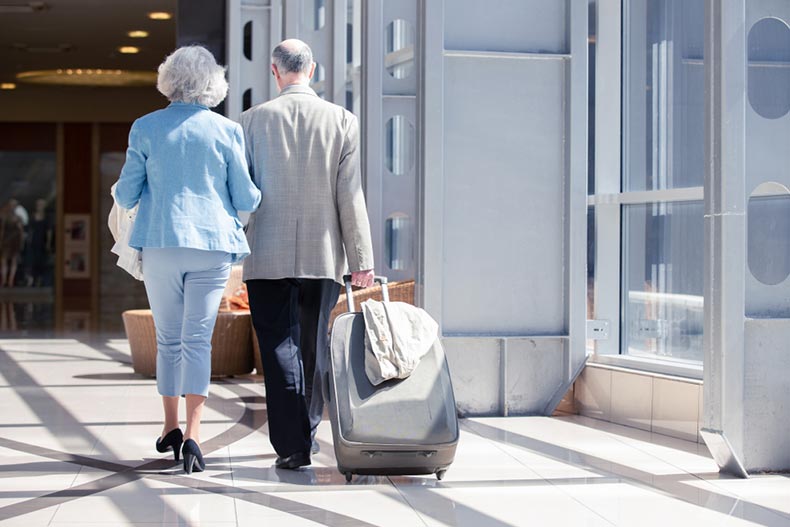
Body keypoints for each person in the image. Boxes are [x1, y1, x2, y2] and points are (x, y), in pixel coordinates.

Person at [114, 45, 261, 474]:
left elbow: (125, 193)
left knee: (168, 340)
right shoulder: (226, 130)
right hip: (212, 244)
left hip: (160, 241)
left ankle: (170, 427)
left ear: (168, 79)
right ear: (213, 83)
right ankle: (196, 436)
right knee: (198, 340)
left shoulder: (145, 128)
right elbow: (246, 196)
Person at [241, 39, 375, 470]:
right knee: (313, 347)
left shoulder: (250, 121)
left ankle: (291, 444)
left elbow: (240, 195)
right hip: (322, 256)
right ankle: (308, 430)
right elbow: (350, 197)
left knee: (279, 346)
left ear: (274, 72)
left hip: (265, 254)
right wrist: (361, 260)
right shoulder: (342, 120)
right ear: (312, 70)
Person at [0, 200, 24, 287]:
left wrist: (21, 242)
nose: (12, 207)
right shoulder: (5, 217)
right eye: (11, 205)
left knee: (13, 260)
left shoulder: (18, 218)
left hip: (14, 241)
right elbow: (2, 230)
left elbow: (21, 231)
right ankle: (4, 280)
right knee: (4, 260)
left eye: (14, 205)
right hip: (6, 241)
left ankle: (10, 280)